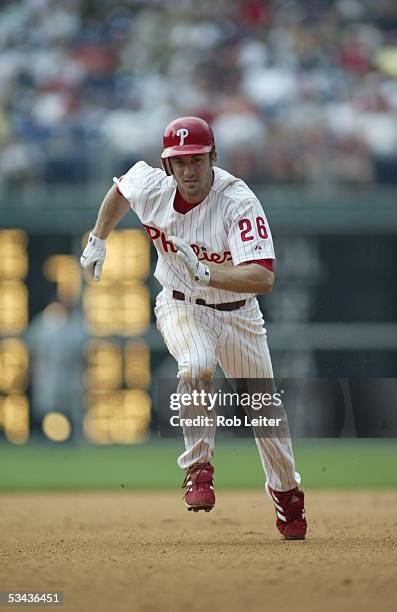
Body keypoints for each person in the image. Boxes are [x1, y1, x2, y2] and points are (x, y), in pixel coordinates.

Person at [80, 116, 307, 540]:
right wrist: (98, 239)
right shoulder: (153, 187)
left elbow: (263, 277)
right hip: (181, 305)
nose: (188, 170)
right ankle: (199, 468)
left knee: (266, 416)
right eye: (179, 161)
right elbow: (120, 191)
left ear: (212, 158)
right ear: (167, 164)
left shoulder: (238, 200)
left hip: (239, 314)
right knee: (197, 362)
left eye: (196, 159)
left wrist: (208, 274)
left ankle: (286, 492)